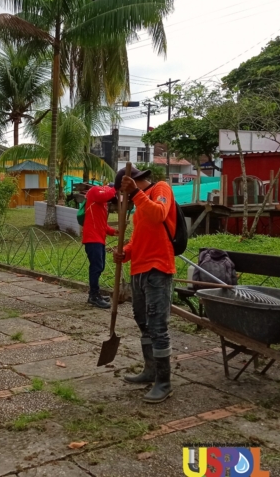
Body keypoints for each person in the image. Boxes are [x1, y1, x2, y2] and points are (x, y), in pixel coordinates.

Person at [112, 167, 177, 404]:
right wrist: (125, 252)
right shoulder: (138, 209)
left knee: (158, 326)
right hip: (138, 270)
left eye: (122, 192)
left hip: (158, 269)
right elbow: (137, 238)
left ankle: (164, 382)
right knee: (144, 324)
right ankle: (150, 370)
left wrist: (136, 194)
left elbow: (159, 214)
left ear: (130, 184)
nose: (123, 198)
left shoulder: (160, 189)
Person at [82, 184, 118, 309]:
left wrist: (113, 231)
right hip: (92, 238)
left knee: (100, 266)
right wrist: (116, 188)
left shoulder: (102, 205)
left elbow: (102, 224)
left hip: (99, 238)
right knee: (96, 267)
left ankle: (95, 292)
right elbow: (107, 194)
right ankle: (93, 296)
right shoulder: (95, 191)